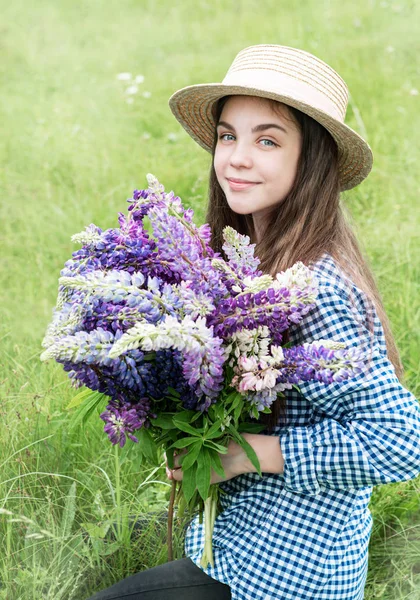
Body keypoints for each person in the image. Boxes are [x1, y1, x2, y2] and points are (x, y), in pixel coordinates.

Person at [88, 44, 420, 600]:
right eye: (228, 135)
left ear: (310, 160)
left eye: (267, 140)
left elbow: (400, 439)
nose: (237, 158)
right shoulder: (251, 260)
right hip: (230, 554)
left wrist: (243, 454)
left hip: (289, 577)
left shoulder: (316, 290)